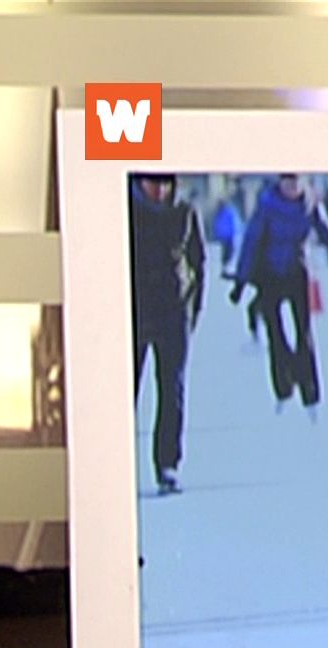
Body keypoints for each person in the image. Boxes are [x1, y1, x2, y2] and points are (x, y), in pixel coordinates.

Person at [230, 174, 328, 421]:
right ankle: (283, 388)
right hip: (269, 273)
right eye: (288, 183)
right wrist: (241, 279)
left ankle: (310, 395)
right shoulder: (267, 205)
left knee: (304, 334)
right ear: (280, 184)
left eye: (296, 183)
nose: (292, 188)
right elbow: (251, 240)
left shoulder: (309, 204)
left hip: (296, 270)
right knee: (276, 334)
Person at [130, 173, 205, 496]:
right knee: (124, 392)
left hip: (174, 313)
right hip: (136, 313)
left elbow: (198, 263)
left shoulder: (184, 211)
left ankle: (167, 465)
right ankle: (113, 461)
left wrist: (193, 311)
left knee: (171, 390)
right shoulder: (127, 210)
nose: (159, 190)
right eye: (152, 183)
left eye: (165, 184)